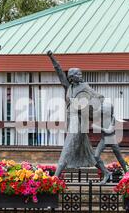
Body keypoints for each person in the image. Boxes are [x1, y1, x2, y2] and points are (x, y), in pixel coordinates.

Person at [47, 51, 111, 182]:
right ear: (71, 77)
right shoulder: (69, 87)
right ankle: (106, 172)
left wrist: (92, 107)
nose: (80, 75)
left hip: (80, 121)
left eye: (80, 73)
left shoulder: (85, 86)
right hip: (72, 120)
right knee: (89, 153)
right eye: (77, 74)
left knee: (68, 147)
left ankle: (55, 178)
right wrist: (51, 58)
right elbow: (59, 71)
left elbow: (99, 97)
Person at [92, 102, 128, 185]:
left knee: (120, 158)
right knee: (95, 156)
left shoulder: (113, 118)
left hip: (112, 139)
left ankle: (127, 173)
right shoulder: (100, 117)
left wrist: (98, 127)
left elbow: (109, 130)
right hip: (104, 139)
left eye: (105, 109)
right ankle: (106, 173)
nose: (103, 110)